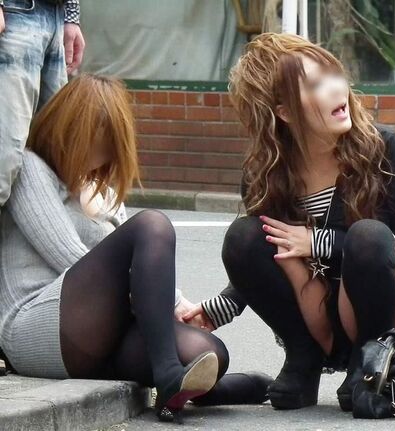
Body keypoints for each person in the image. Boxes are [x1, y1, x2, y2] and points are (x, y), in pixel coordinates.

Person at [184, 32, 395, 412]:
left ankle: (367, 362)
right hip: (313, 308)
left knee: (368, 236)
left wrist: (319, 241)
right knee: (244, 236)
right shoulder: (265, 172)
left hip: (379, 310)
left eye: (334, 75)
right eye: (316, 84)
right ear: (284, 112)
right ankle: (303, 359)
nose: (337, 89)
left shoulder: (382, 148)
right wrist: (224, 305)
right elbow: (270, 250)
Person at [0, 74, 230, 423]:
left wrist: (176, 305)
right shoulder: (32, 168)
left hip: (93, 334)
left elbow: (140, 269)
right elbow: (67, 254)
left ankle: (194, 388)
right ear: (64, 129)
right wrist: (157, 301)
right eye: (89, 145)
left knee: (207, 350)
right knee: (152, 224)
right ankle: (169, 375)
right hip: (33, 326)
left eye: (107, 149)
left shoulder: (100, 192)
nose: (96, 159)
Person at [0, 0, 85, 211]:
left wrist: (71, 16)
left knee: (58, 157)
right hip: (14, 13)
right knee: (5, 156)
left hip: (55, 16)